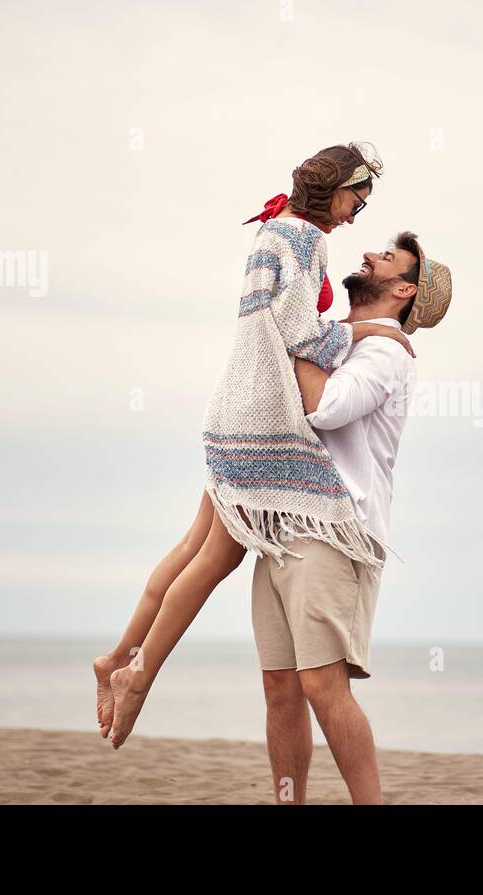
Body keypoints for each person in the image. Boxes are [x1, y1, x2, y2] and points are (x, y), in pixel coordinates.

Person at [94, 143, 413, 748]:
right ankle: (137, 673)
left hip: (234, 406)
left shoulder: (274, 229)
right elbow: (297, 333)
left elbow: (274, 323)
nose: (356, 216)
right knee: (216, 557)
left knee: (196, 546)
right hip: (265, 417)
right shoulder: (307, 240)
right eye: (358, 200)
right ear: (337, 188)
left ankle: (120, 656)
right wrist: (361, 331)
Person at [259, 231, 452, 803]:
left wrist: (301, 338)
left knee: (323, 685)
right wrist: (326, 335)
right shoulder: (348, 341)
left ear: (403, 289)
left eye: (387, 258)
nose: (369, 253)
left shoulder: (386, 352)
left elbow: (326, 407)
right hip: (290, 524)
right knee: (280, 688)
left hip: (337, 532)